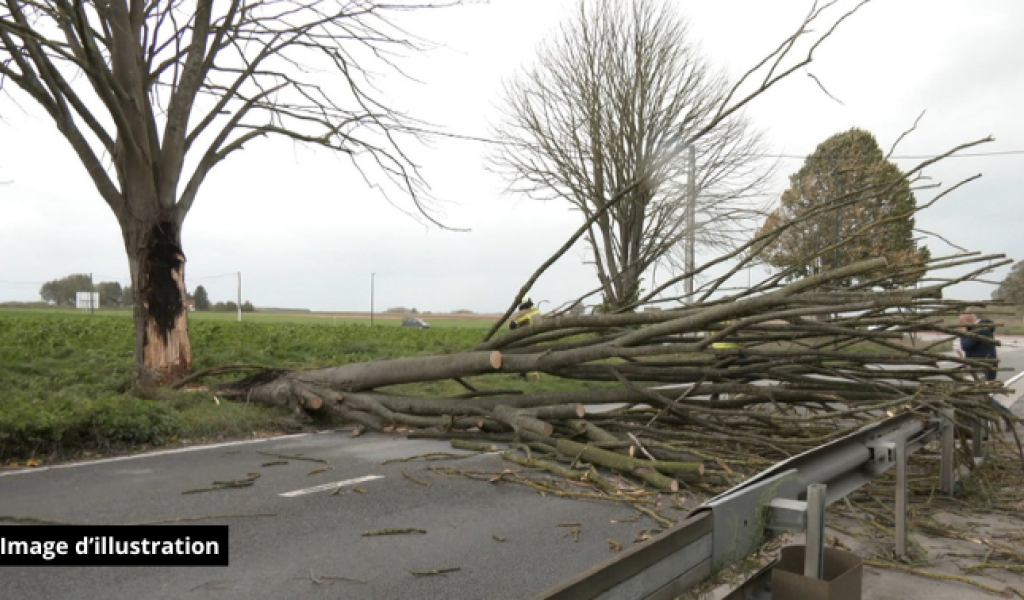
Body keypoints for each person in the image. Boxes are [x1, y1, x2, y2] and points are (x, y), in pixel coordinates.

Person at [958, 311, 1012, 430]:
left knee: (980, 395)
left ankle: (1006, 415)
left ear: (968, 320)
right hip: (984, 365)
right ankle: (997, 418)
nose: (961, 325)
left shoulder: (979, 329)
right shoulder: (984, 326)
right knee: (981, 395)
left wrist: (963, 332)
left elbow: (965, 346)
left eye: (962, 322)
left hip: (982, 367)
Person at [509, 297, 542, 380]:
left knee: (523, 355)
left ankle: (525, 375)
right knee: (533, 356)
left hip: (528, 339)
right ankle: (530, 375)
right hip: (538, 338)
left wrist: (513, 324)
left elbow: (512, 325)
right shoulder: (536, 311)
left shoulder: (523, 313)